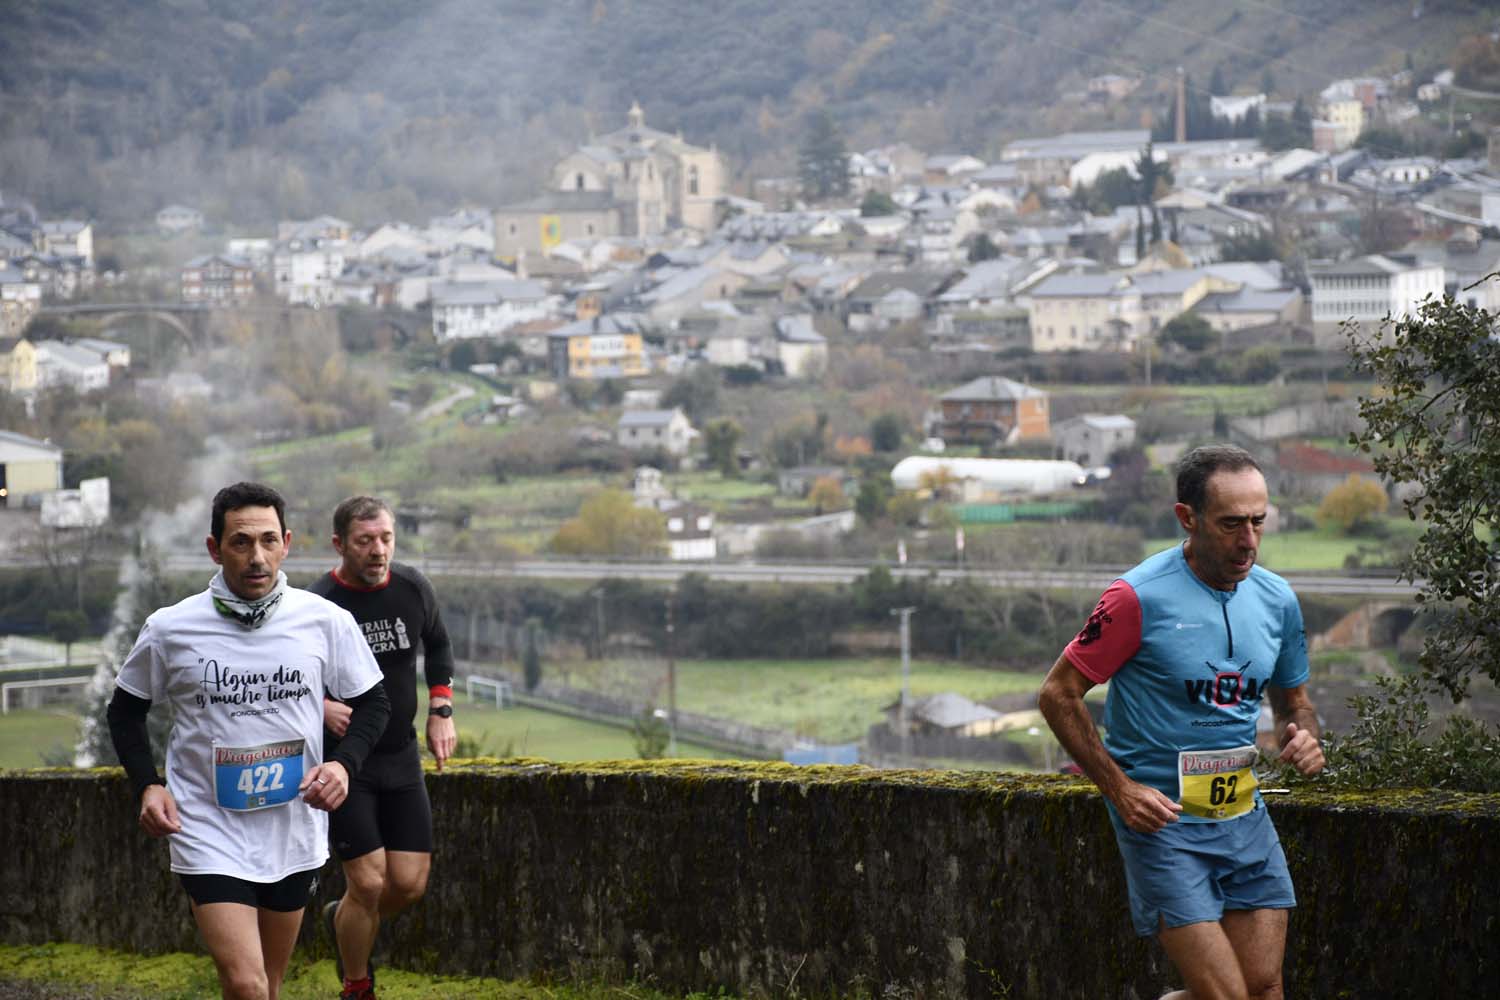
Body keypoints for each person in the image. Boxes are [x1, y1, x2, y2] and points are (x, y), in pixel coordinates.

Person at [1038, 445, 1325, 1000]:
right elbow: (1058, 694)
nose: (1249, 542)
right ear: (1186, 518)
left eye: (1258, 522)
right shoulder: (1136, 598)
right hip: (1164, 828)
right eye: (1232, 524)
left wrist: (1305, 734)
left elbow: (1295, 700)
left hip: (1244, 818)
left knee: (1265, 989)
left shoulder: (1277, 600)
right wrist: (1120, 791)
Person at [107, 482, 390, 1000]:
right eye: (240, 542)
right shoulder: (171, 627)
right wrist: (148, 785)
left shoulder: (324, 620)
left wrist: (344, 766)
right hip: (206, 825)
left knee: (268, 985)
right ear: (215, 548)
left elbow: (374, 702)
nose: (256, 557)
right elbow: (125, 710)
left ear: (286, 542)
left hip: (292, 825)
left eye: (267, 541)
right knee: (246, 982)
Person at [308, 496, 456, 1000]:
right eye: (365, 541)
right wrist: (320, 705)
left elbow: (437, 644)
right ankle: (357, 984)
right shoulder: (319, 603)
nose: (378, 550)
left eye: (386, 539)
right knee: (369, 884)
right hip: (346, 763)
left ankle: (340, 917)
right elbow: (288, 673)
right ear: (340, 544)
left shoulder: (414, 588)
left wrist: (441, 709)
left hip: (400, 755)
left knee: (409, 884)